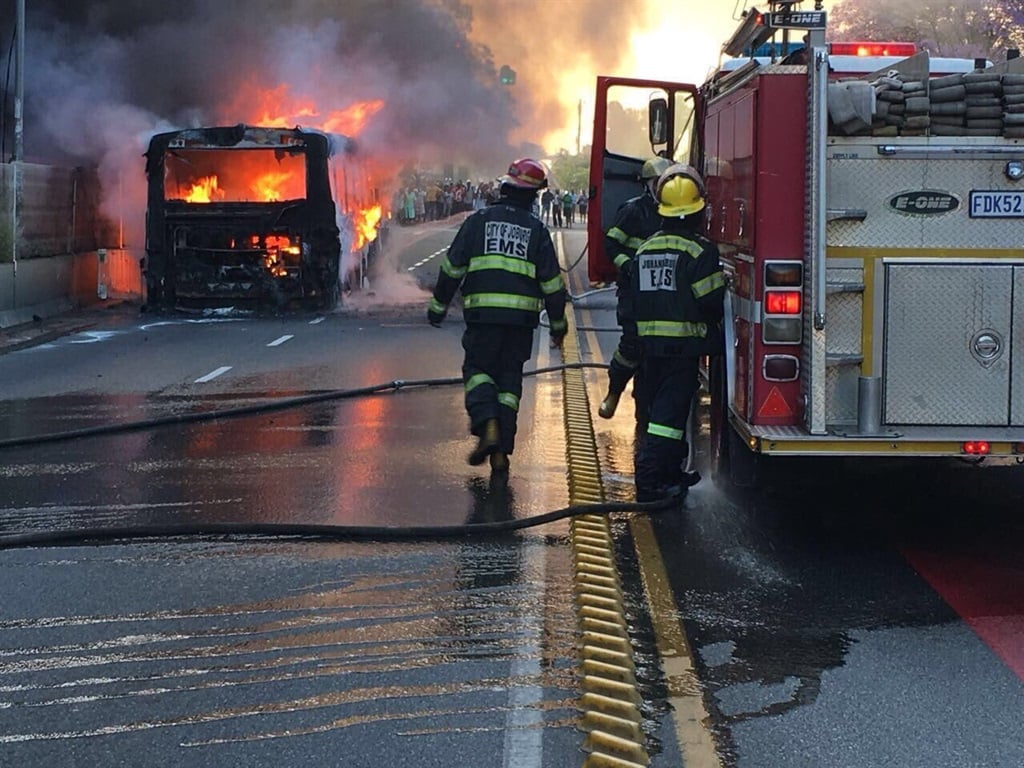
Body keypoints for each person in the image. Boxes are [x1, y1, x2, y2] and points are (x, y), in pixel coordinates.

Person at [428, 158, 568, 476]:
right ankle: (501, 451)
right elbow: (552, 284)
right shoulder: (536, 230)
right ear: (534, 196)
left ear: (504, 187)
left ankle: (487, 423)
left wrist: (438, 306)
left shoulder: (478, 222)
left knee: (478, 371)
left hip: (483, 318)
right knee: (509, 382)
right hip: (520, 323)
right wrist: (559, 326)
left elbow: (452, 268)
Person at [627, 163, 725, 502]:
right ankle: (651, 482)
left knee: (657, 414)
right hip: (681, 349)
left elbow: (634, 299)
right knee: (668, 420)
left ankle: (669, 473)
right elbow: (711, 300)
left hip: (648, 348)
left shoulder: (646, 249)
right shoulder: (700, 252)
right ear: (696, 213)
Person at [598, 156, 673, 421]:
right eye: (659, 182)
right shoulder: (633, 211)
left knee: (657, 351)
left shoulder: (677, 213)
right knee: (632, 347)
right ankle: (614, 391)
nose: (664, 187)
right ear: (647, 185)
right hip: (634, 293)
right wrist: (628, 266)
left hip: (664, 294)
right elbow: (612, 245)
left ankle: (647, 406)